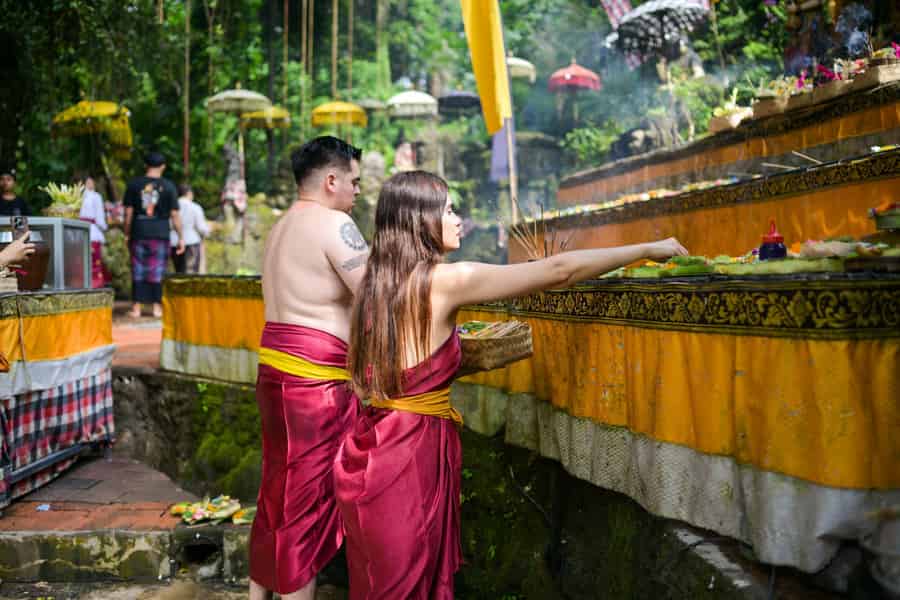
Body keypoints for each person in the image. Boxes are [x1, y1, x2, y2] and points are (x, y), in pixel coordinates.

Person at [334, 171, 688, 599]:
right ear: (419, 221)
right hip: (409, 453)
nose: (458, 219)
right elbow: (558, 270)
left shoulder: (375, 285)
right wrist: (649, 248)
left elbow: (397, 376)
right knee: (407, 584)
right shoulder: (445, 281)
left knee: (380, 581)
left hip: (374, 445)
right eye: (447, 210)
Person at [249, 136, 366, 600]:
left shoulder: (282, 226)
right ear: (331, 180)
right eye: (354, 182)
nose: (358, 192)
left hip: (275, 373)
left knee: (276, 492)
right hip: (313, 382)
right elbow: (377, 293)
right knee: (307, 508)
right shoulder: (335, 224)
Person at [123, 152, 184, 318]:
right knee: (158, 270)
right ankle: (157, 308)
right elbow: (175, 215)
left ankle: (136, 307)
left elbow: (128, 213)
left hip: (139, 231)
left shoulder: (134, 185)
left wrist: (126, 233)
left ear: (146, 165)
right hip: (160, 232)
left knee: (138, 268)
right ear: (163, 166)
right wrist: (181, 237)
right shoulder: (169, 186)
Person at [170, 183, 209, 274]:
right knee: (190, 272)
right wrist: (208, 231)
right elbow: (201, 227)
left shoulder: (172, 207)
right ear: (189, 193)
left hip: (174, 242)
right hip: (192, 242)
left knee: (178, 272)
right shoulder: (195, 207)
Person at [79, 176, 110, 288]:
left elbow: (98, 215)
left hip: (87, 230)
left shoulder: (92, 196)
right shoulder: (86, 196)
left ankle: (91, 281)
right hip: (86, 229)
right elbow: (99, 216)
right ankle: (89, 281)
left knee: (90, 257)